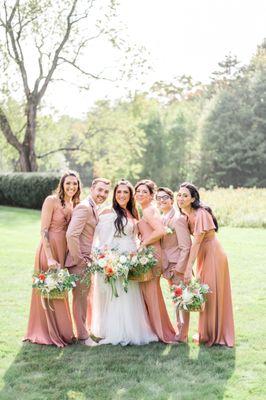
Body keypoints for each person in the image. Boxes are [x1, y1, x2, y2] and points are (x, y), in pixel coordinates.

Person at [88, 179, 158, 346]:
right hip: (115, 258)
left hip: (130, 257)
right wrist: (108, 260)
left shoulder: (133, 213)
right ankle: (114, 331)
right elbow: (102, 239)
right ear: (115, 194)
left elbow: (136, 236)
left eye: (126, 192)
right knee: (116, 294)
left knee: (129, 294)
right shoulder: (107, 212)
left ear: (130, 195)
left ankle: (130, 329)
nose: (122, 195)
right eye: (119, 192)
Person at [24, 171, 81, 347]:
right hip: (49, 250)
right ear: (62, 185)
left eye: (75, 184)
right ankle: (46, 332)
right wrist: (49, 257)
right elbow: (44, 230)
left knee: (59, 289)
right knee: (49, 289)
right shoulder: (51, 200)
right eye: (68, 183)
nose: (71, 187)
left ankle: (63, 331)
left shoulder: (75, 203)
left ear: (78, 186)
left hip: (63, 250)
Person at [177, 182, 235, 347]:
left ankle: (217, 335)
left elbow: (196, 243)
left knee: (211, 293)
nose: (180, 198)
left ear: (193, 198)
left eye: (185, 195)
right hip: (204, 255)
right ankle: (207, 332)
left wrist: (188, 269)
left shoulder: (201, 213)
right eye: (179, 195)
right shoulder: (186, 214)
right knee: (207, 293)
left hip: (213, 254)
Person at [65, 178, 110, 343]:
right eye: (100, 190)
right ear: (92, 188)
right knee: (81, 299)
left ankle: (85, 330)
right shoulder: (84, 207)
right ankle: (83, 336)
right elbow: (71, 234)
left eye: (106, 191)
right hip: (79, 261)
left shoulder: (93, 207)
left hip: (88, 260)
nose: (102, 194)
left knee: (85, 297)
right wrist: (79, 259)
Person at [135, 179, 177, 343]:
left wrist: (143, 244)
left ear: (151, 195)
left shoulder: (147, 211)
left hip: (151, 253)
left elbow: (160, 231)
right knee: (150, 292)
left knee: (151, 293)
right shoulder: (148, 209)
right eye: (138, 191)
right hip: (152, 251)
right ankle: (156, 329)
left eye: (144, 192)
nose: (140, 194)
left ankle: (162, 333)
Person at [156, 187, 191, 343]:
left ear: (172, 199)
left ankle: (183, 335)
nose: (161, 200)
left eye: (165, 197)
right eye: (158, 198)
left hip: (177, 265)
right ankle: (179, 330)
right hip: (168, 265)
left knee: (182, 300)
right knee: (176, 299)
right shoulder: (162, 217)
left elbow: (186, 246)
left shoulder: (178, 219)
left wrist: (180, 268)